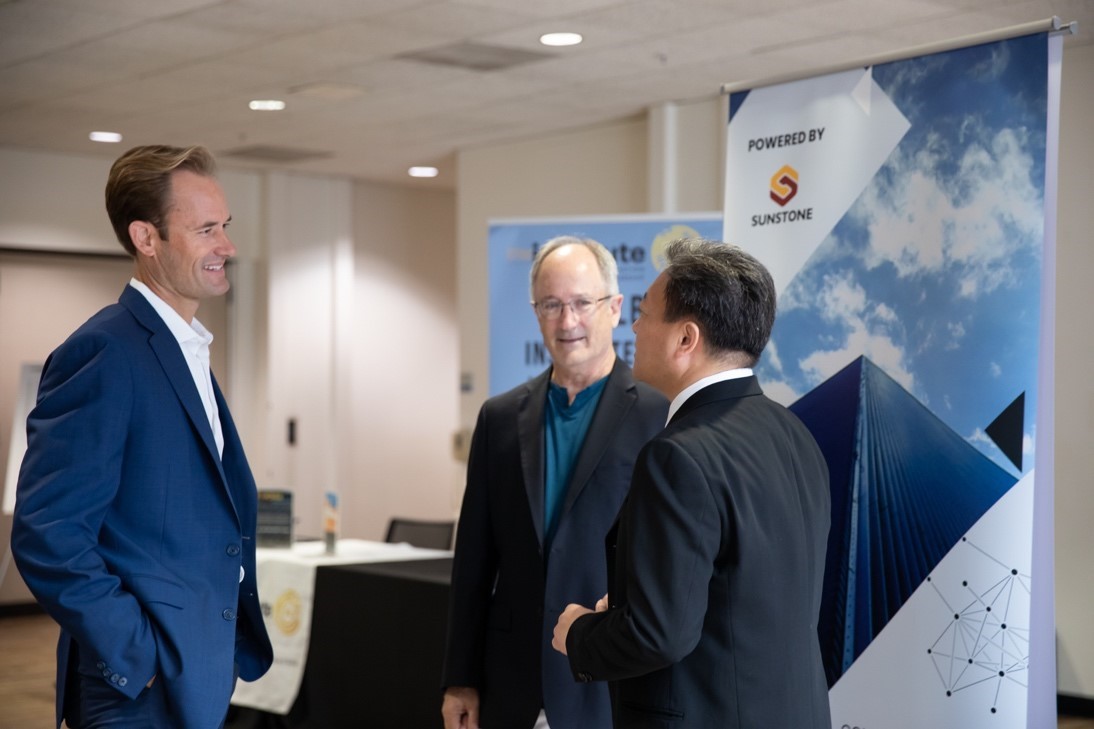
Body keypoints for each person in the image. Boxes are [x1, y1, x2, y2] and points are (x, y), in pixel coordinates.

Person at [11, 144, 273, 729]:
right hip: (138, 688)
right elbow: (48, 534)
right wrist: (136, 652)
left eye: (224, 227)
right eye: (206, 229)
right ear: (146, 238)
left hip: (195, 668)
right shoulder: (106, 350)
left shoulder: (185, 349)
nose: (226, 246)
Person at [552, 238, 832, 728]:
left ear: (686, 339)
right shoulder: (796, 435)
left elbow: (659, 635)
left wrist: (580, 632)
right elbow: (745, 596)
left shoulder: (676, 456)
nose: (634, 327)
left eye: (644, 313)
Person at [442, 236, 668, 729]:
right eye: (551, 305)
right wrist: (460, 677)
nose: (567, 322)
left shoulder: (661, 416)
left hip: (611, 686)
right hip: (511, 684)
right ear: (535, 311)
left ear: (614, 308)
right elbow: (474, 562)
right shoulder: (499, 418)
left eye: (582, 303)